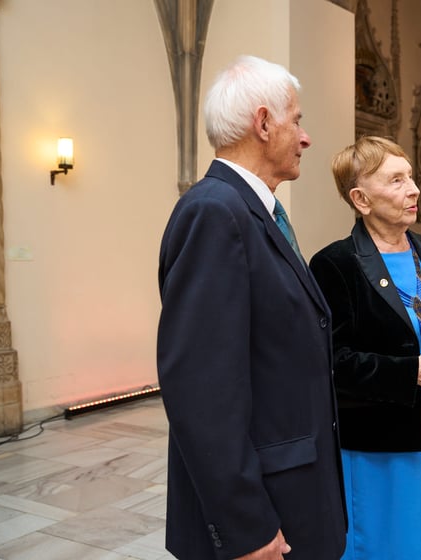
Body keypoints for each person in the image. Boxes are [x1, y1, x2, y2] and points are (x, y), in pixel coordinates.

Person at [156, 55, 346, 560]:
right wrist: (246, 527)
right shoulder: (214, 213)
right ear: (263, 124)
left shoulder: (249, 211)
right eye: (297, 121)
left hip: (289, 488)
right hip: (262, 517)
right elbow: (202, 391)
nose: (305, 137)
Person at [309, 136, 421, 560]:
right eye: (396, 180)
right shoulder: (335, 264)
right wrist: (412, 372)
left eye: (410, 176)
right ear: (361, 199)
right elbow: (332, 362)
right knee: (389, 540)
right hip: (380, 439)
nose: (414, 189)